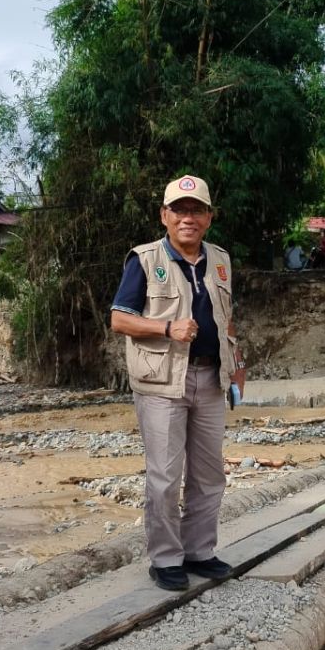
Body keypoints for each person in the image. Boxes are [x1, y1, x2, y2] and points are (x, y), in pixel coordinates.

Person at [110, 175, 246, 592]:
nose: (188, 218)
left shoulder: (220, 259)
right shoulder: (144, 259)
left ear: (209, 217)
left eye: (196, 210)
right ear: (164, 216)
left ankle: (199, 552)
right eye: (180, 210)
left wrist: (237, 368)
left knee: (209, 474)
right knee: (165, 477)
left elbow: (226, 319)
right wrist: (167, 328)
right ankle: (166, 559)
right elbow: (119, 319)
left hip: (211, 378)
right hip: (162, 382)